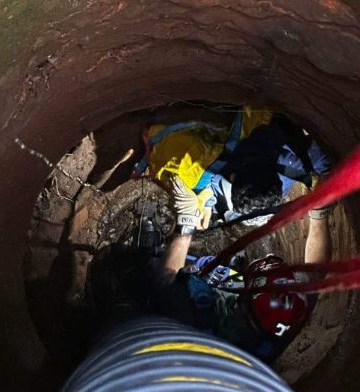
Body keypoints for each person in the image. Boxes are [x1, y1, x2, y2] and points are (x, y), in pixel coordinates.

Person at [148, 173, 334, 360]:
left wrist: (186, 225)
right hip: (219, 282)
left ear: (246, 298)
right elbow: (316, 272)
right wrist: (320, 211)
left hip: (179, 303)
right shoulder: (289, 312)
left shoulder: (198, 322)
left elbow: (165, 281)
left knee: (154, 271)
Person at [136, 105, 330, 228]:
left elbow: (152, 140)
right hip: (267, 119)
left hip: (264, 117)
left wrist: (204, 200)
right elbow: (151, 140)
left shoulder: (197, 167)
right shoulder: (294, 160)